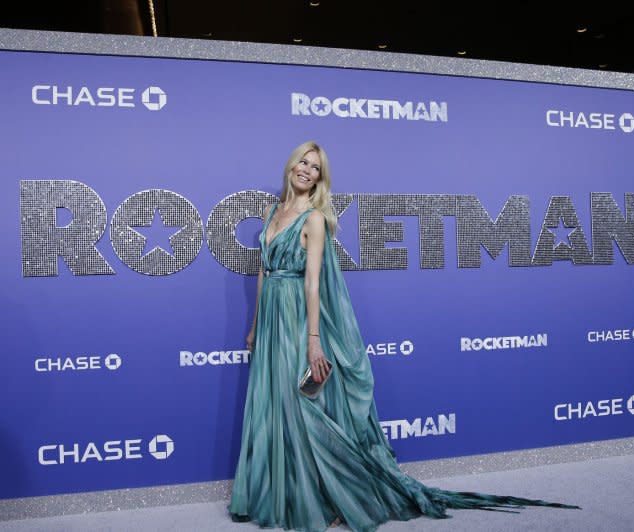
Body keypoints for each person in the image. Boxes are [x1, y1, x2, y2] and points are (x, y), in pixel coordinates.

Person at [227, 141, 578, 531]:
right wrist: (257, 323)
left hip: (294, 315)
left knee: (301, 407)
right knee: (272, 404)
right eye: (303, 162)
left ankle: (334, 495)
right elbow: (262, 270)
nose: (307, 170)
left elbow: (313, 284)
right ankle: (283, 494)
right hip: (271, 318)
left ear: (321, 179)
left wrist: (313, 339)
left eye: (316, 167)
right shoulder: (271, 211)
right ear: (291, 165)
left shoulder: (313, 219)